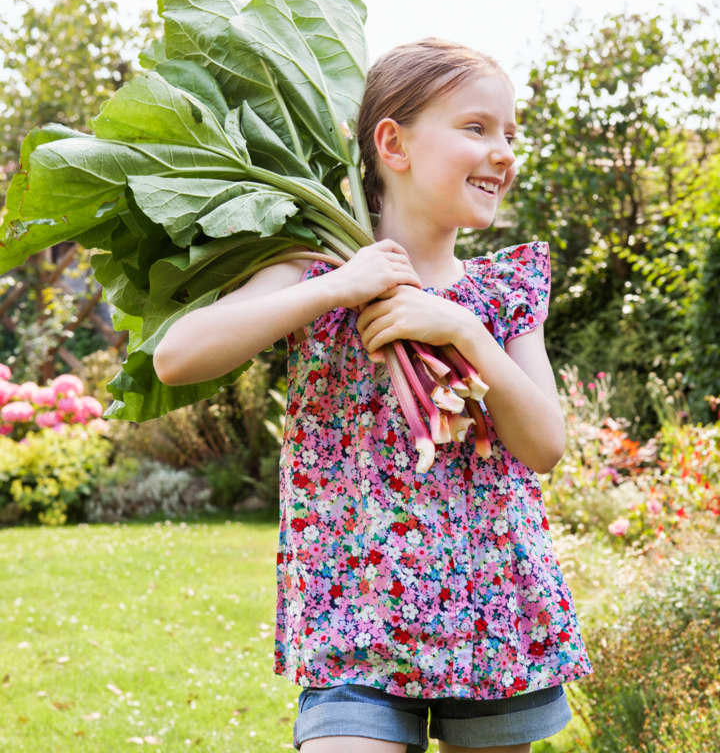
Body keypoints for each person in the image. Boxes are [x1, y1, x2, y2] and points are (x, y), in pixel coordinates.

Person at [153, 38, 594, 753]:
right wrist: (338, 285)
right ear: (392, 142)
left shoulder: (507, 287)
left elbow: (545, 445)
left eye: (511, 133)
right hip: (357, 613)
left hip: (492, 612)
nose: (505, 151)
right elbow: (177, 357)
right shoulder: (313, 268)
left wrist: (464, 331)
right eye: (477, 128)